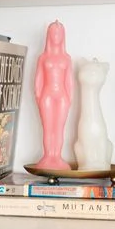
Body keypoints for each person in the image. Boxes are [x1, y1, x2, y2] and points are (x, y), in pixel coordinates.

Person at [34, 20, 73, 169]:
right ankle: (48, 156)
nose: (56, 36)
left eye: (59, 33)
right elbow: (38, 79)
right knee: (48, 127)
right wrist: (38, 95)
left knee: (59, 127)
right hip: (47, 96)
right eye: (53, 33)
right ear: (49, 35)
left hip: (62, 97)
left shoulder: (67, 58)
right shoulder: (43, 57)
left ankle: (57, 157)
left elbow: (69, 81)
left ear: (63, 36)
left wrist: (69, 98)